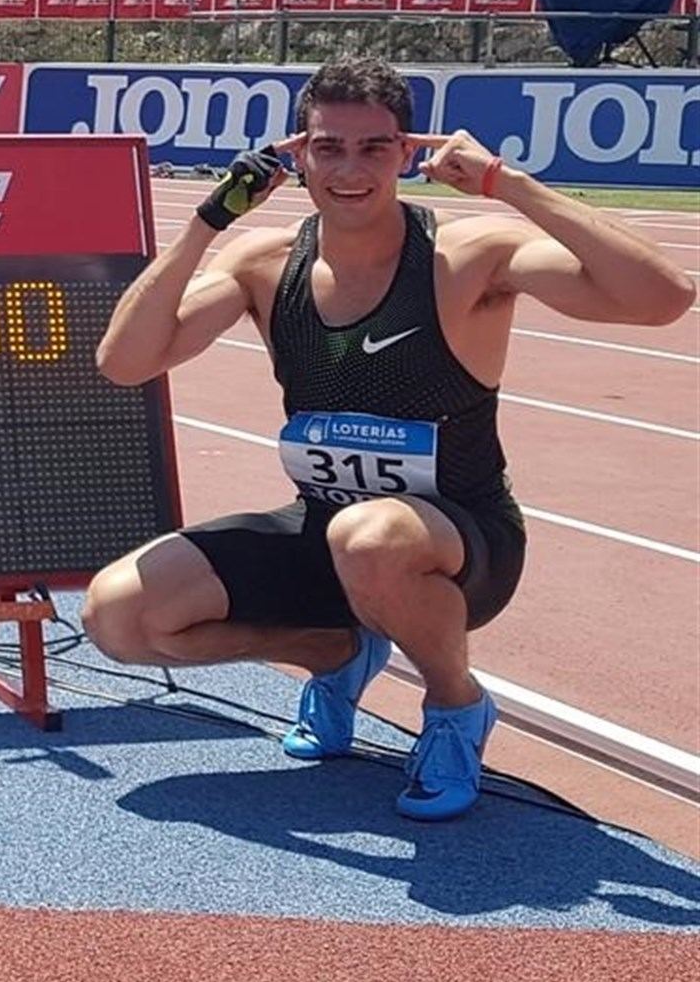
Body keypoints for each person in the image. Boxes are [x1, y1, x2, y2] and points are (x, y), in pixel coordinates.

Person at [83, 55, 694, 820]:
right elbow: (125, 361)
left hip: (461, 540)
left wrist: (508, 183)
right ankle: (333, 653)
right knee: (119, 616)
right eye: (328, 147)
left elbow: (663, 299)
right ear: (297, 154)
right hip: (325, 529)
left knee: (371, 538)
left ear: (408, 154)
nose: (350, 169)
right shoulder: (266, 264)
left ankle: (455, 709)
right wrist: (210, 222)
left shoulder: (468, 257)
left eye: (374, 148)